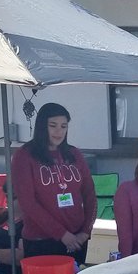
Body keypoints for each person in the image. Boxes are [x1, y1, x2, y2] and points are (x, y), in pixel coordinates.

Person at [11, 102, 96, 265]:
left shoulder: (74, 153)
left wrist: (86, 232)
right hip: (41, 241)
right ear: (42, 126)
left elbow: (90, 193)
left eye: (64, 126)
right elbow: (28, 203)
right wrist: (62, 234)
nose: (59, 131)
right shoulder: (24, 156)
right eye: (53, 125)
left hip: (77, 239)